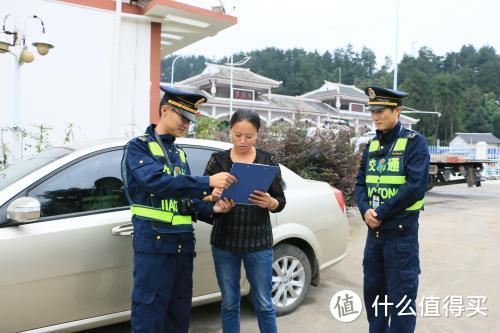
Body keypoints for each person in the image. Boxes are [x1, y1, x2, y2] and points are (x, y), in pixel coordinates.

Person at [122, 86, 237, 333]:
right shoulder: (138, 148)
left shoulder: (179, 154)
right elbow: (156, 182)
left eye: (190, 120)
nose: (187, 124)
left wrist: (213, 208)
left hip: (183, 248)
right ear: (165, 110)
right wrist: (208, 181)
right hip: (154, 247)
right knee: (149, 317)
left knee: (178, 315)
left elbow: (185, 202)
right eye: (183, 118)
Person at [203, 109, 286, 333]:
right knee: (229, 302)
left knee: (264, 302)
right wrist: (214, 198)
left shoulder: (268, 160)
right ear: (229, 131)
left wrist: (270, 202)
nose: (242, 141)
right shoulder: (218, 161)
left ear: (257, 134)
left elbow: (281, 200)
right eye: (237, 135)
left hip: (258, 243)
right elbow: (202, 198)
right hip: (224, 243)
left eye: (249, 136)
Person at [355, 86, 430, 333]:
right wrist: (365, 210)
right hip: (374, 236)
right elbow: (360, 184)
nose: (375, 116)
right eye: (372, 111)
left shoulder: (414, 143)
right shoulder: (372, 145)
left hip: (401, 236)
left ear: (397, 111)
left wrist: (381, 213)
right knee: (375, 299)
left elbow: (415, 187)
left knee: (401, 302)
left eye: (381, 111)